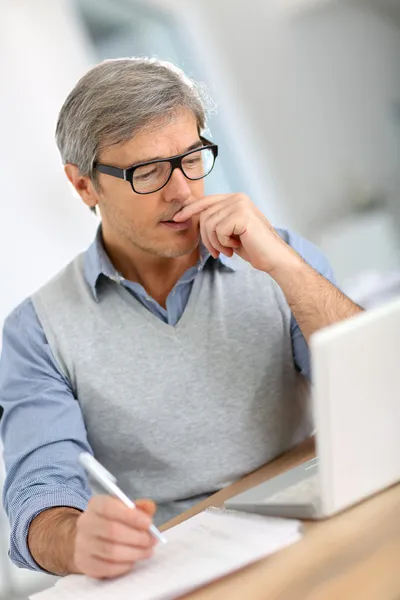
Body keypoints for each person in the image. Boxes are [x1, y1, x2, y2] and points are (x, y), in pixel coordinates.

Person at [0, 58, 361, 580]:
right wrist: (75, 538)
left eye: (192, 159)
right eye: (147, 172)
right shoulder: (35, 332)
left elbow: (381, 398)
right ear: (84, 186)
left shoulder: (282, 258)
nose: (183, 191)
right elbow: (40, 493)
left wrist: (285, 267)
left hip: (315, 524)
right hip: (178, 566)